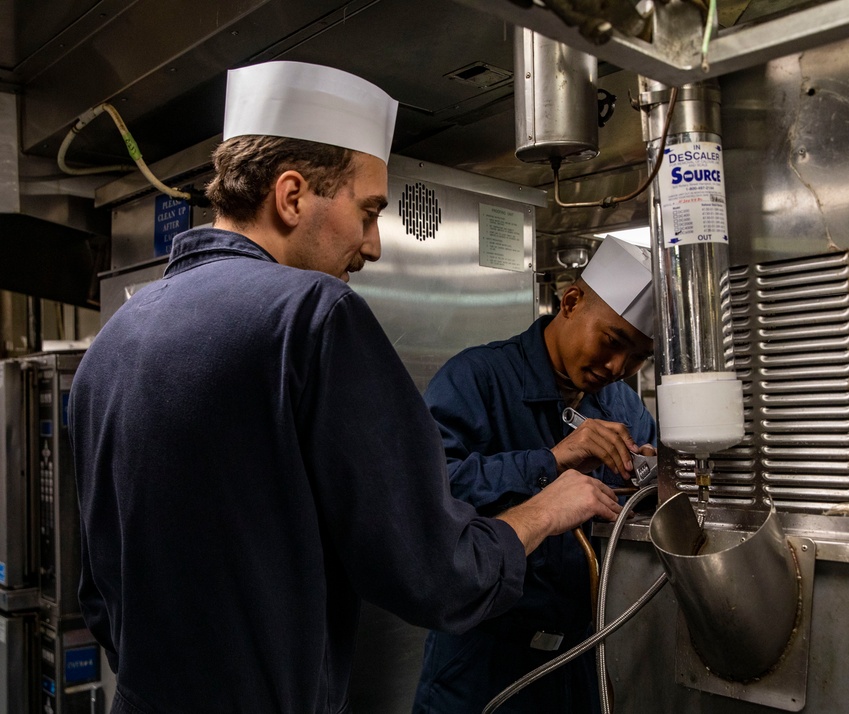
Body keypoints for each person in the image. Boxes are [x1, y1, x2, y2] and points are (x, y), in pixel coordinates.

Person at [68, 60, 622, 714]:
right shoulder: (313, 316)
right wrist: (547, 509)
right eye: (367, 212)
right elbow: (435, 573)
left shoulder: (114, 338)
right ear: (293, 195)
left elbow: (98, 598)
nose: (373, 244)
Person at [412, 236, 658, 713]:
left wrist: (649, 474)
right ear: (570, 302)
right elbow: (428, 490)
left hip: (581, 657)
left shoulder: (622, 403)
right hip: (482, 663)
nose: (616, 367)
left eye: (637, 358)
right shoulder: (477, 378)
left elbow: (647, 502)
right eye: (611, 343)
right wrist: (550, 461)